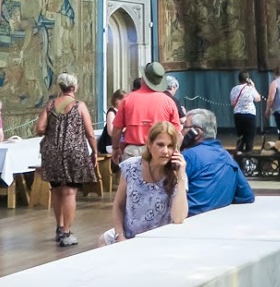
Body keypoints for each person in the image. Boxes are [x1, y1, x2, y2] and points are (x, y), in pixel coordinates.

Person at [37, 71, 98, 247]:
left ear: (60, 87)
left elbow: (39, 128)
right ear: (75, 87)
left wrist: (53, 127)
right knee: (70, 192)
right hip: (74, 152)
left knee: (57, 190)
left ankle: (59, 226)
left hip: (53, 152)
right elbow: (90, 132)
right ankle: (66, 233)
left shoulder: (50, 105)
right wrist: (94, 151)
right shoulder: (79, 106)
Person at [106, 120, 188, 240]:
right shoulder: (131, 167)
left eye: (170, 146)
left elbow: (179, 218)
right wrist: (120, 235)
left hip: (159, 240)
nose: (165, 151)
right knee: (102, 242)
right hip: (128, 237)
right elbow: (118, 205)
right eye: (160, 145)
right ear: (149, 144)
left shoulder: (176, 174)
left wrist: (181, 178)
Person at [182, 107, 255, 214]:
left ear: (196, 132)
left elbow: (166, 194)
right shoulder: (228, 158)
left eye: (184, 127)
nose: (180, 131)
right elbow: (247, 196)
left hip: (187, 220)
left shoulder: (187, 157)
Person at [110, 61, 181, 161]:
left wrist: (115, 148)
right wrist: (174, 152)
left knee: (129, 177)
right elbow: (177, 132)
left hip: (132, 153)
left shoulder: (128, 99)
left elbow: (117, 129)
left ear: (143, 79)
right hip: (158, 153)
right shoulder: (168, 102)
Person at [230, 70, 262, 154]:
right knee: (249, 138)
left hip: (238, 115)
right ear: (248, 79)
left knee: (241, 137)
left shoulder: (234, 89)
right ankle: (248, 157)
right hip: (249, 115)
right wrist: (253, 86)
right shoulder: (250, 89)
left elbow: (233, 103)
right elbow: (258, 98)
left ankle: (239, 156)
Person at [97, 89, 126, 156]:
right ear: (116, 100)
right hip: (109, 144)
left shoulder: (121, 113)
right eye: (123, 100)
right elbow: (111, 132)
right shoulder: (111, 112)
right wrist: (125, 129)